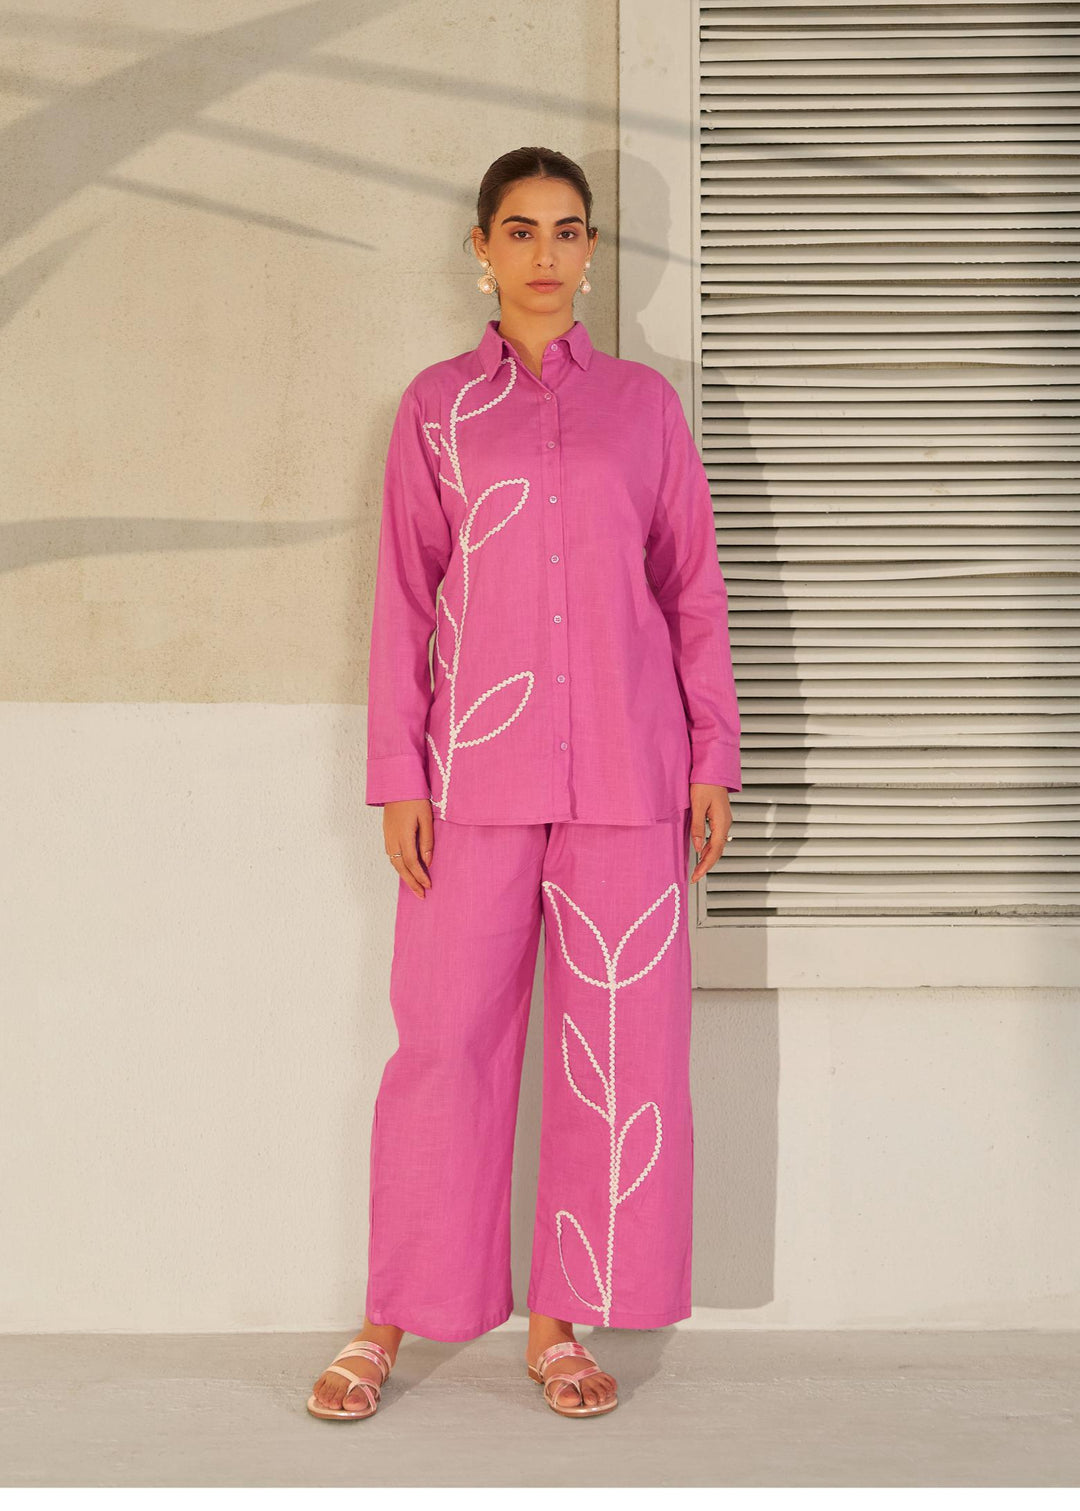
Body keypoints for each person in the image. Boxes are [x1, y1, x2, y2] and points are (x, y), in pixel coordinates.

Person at [307, 147, 740, 1423]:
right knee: (444, 1046)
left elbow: (691, 591)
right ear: (482, 249)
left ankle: (561, 1320)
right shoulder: (436, 409)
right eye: (519, 229)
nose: (545, 252)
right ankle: (391, 1313)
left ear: (592, 250)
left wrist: (713, 755)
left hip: (629, 771)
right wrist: (399, 772)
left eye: (566, 229)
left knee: (619, 1053)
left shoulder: (647, 409)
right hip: (472, 772)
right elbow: (404, 596)